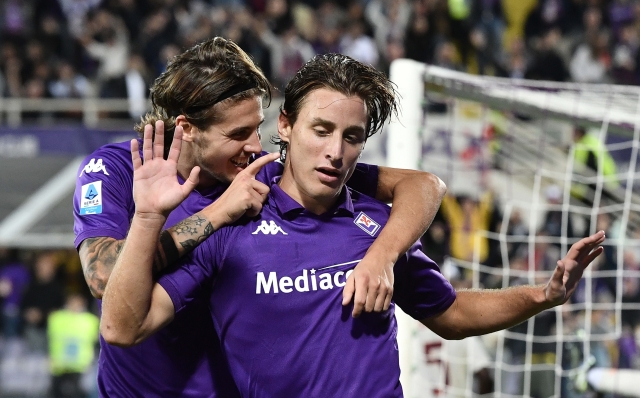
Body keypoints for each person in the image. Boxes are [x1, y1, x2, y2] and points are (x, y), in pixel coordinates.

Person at [100, 53, 606, 397]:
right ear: (285, 126)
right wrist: (147, 217)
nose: (335, 152)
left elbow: (449, 313)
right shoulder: (233, 221)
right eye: (321, 130)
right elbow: (123, 328)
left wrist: (544, 295)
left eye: (352, 136)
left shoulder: (377, 224)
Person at [74, 37, 447, 397]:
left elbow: (421, 186)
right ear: (187, 129)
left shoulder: (260, 172)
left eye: (256, 127)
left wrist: (383, 254)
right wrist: (215, 212)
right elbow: (103, 276)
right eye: (238, 133)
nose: (254, 145)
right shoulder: (118, 171)